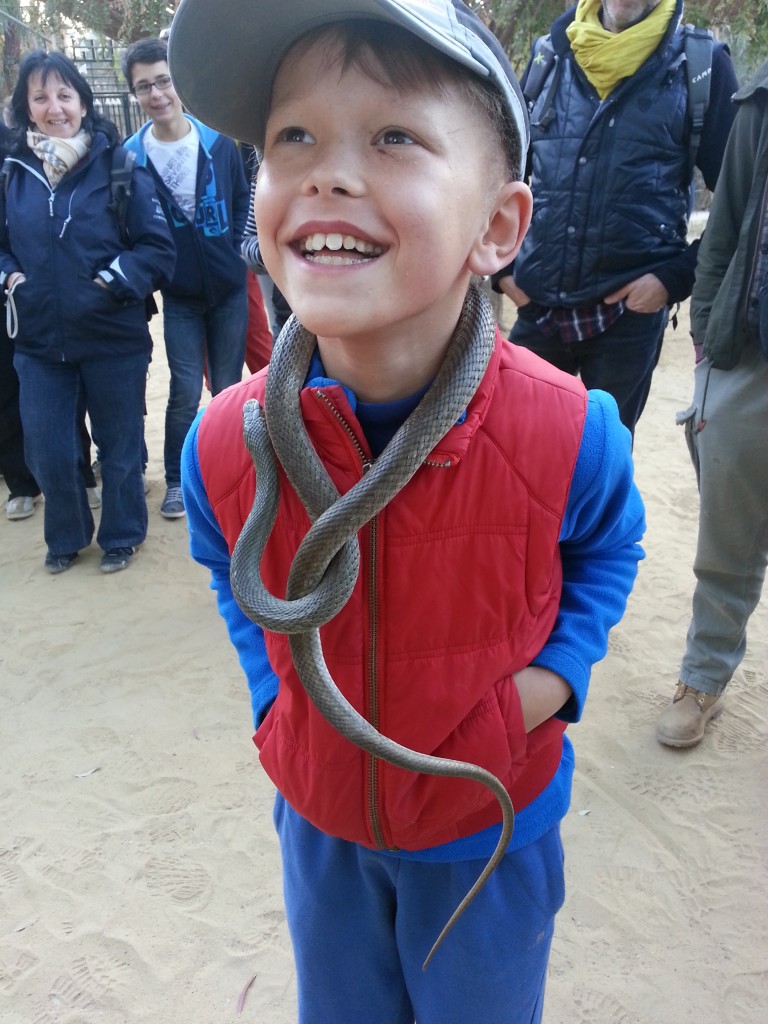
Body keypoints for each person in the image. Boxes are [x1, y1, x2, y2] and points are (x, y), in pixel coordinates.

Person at [171, 1, 645, 1020]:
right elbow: (224, 561)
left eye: (394, 137)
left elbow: (612, 544)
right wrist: (274, 696)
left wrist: (549, 685)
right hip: (324, 822)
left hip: (489, 821)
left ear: (499, 227)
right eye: (292, 135)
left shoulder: (570, 430)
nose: (327, 173)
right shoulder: (226, 439)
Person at [493, 0, 738, 436]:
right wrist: (506, 271)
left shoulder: (701, 66)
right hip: (538, 307)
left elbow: (741, 204)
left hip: (629, 319)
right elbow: (504, 170)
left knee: (601, 464)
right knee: (514, 450)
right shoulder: (549, 55)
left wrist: (672, 280)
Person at [0, 50, 174, 573]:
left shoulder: (120, 165)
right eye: (41, 97)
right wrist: (11, 277)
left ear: (82, 101)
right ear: (27, 108)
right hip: (37, 342)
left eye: (64, 94)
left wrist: (112, 280)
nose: (55, 107)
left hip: (112, 336)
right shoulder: (11, 173)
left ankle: (121, 535)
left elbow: (157, 248)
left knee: (119, 449)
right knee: (49, 453)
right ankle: (66, 537)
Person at [656, 60, 768, 748]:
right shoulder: (759, 105)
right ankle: (703, 679)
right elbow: (724, 228)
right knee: (726, 541)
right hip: (751, 359)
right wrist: (705, 347)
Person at [121, 37, 250, 520]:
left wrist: (238, 249)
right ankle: (177, 480)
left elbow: (241, 199)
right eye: (143, 87)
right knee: (182, 388)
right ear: (133, 94)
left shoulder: (217, 141)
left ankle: (228, 475)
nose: (156, 94)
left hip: (229, 289)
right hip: (179, 295)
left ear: (178, 81)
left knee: (226, 387)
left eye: (163, 81)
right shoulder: (130, 157)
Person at [0, 98, 41, 521]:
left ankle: (80, 474)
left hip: (17, 294)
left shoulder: (9, 149)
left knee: (22, 387)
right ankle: (19, 481)